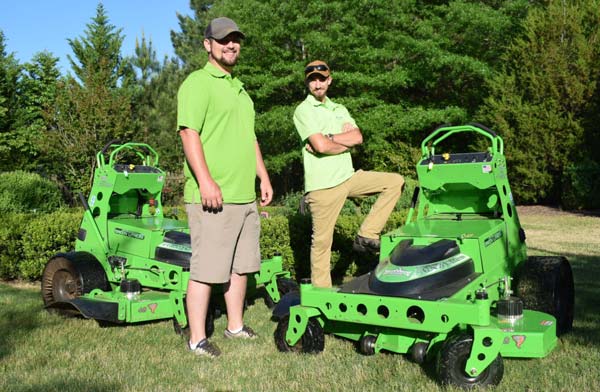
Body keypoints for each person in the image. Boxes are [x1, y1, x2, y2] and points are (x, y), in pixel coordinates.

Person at [177, 17, 273, 357]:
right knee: (206, 269)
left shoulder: (240, 89)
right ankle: (197, 339)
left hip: (244, 195)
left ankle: (234, 326)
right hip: (213, 196)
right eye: (223, 40)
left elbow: (249, 137)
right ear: (208, 45)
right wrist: (206, 181)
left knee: (241, 265)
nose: (230, 45)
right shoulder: (198, 83)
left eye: (235, 39)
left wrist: (263, 175)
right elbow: (189, 134)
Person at [293, 60, 404, 288]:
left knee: (394, 181)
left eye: (321, 79)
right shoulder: (303, 110)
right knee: (322, 244)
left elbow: (357, 138)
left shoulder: (339, 109)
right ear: (307, 83)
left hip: (349, 177)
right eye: (312, 79)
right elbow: (319, 146)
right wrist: (338, 142)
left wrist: (330, 138)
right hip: (323, 187)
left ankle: (367, 233)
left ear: (329, 80)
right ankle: (321, 297)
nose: (317, 83)